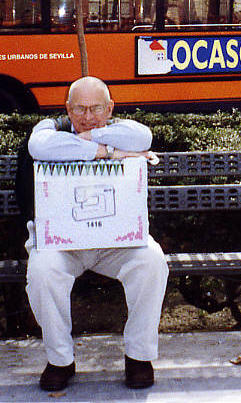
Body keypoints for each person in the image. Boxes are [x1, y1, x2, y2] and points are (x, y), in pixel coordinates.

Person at [25, 76, 169, 391]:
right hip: (62, 244)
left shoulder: (121, 129)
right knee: (42, 271)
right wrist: (107, 152)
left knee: (152, 262)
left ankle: (139, 357)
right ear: (67, 108)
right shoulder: (49, 129)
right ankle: (60, 360)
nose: (88, 116)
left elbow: (143, 136)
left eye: (96, 108)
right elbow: (40, 147)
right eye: (80, 109)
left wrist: (92, 137)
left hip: (114, 243)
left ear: (110, 107)